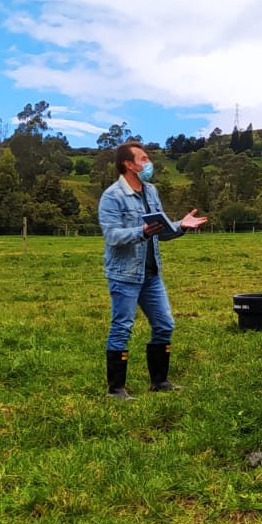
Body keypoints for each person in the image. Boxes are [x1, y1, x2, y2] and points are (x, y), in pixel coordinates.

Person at [98, 142, 207, 400]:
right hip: (125, 274)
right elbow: (112, 235)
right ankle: (115, 390)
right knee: (122, 327)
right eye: (143, 158)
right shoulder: (112, 196)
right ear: (128, 164)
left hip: (151, 273)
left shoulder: (151, 192)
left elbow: (163, 231)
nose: (149, 163)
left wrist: (181, 225)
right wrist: (141, 232)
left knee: (164, 324)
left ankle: (159, 381)